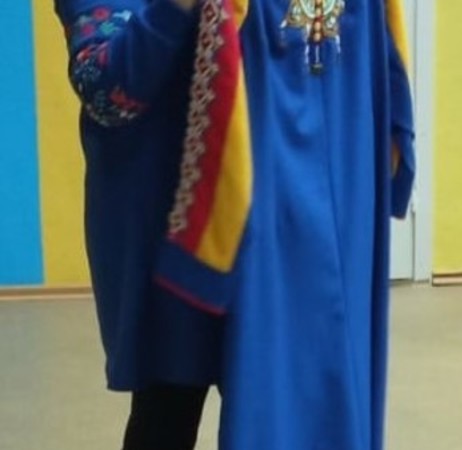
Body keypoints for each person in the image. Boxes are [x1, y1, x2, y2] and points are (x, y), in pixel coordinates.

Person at [54, 0, 415, 448]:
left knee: (278, 411)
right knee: (167, 407)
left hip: (275, 232)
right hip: (161, 229)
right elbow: (105, 90)